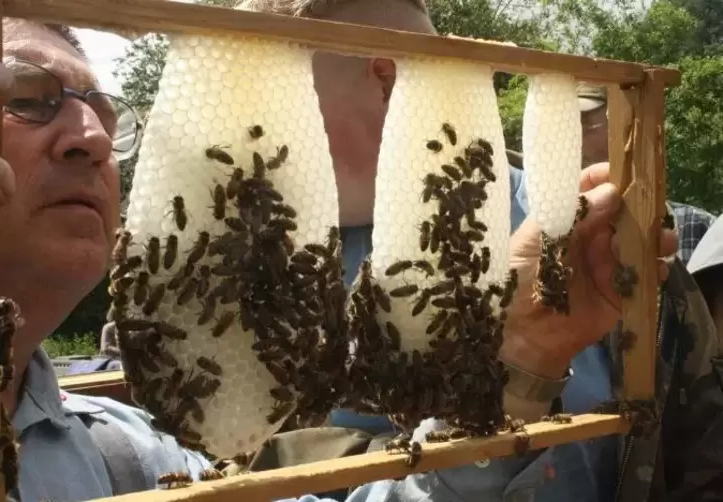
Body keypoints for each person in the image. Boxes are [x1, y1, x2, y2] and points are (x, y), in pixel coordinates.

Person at [0, 9, 684, 502]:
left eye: (102, 111)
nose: (90, 136)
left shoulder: (129, 460)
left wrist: (523, 350)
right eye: (30, 97)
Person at [233, 1, 723, 502]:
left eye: (275, 111)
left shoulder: (601, 238)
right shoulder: (238, 278)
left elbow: (700, 454)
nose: (256, 148)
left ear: (388, 82)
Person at [575, 82, 716, 265]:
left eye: (585, 127)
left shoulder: (699, 232)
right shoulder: (557, 240)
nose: (572, 140)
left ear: (631, 127)